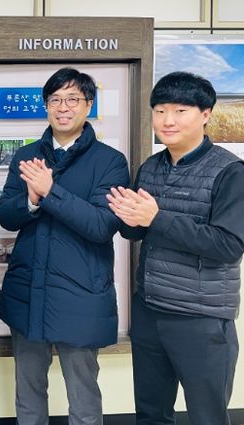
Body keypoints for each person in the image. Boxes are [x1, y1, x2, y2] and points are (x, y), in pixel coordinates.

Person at [107, 71, 244, 425]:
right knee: (151, 413)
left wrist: (156, 218)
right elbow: (135, 232)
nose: (168, 120)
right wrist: (125, 214)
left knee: (207, 417)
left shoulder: (231, 171)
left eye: (180, 110)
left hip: (201, 317)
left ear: (205, 114)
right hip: (150, 309)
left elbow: (228, 245)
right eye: (160, 111)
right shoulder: (151, 167)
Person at [0, 67, 130, 425]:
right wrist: (31, 200)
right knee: (28, 395)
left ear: (89, 105)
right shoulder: (26, 156)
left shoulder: (110, 161)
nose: (63, 107)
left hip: (81, 297)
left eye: (72, 99)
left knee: (83, 399)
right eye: (55, 100)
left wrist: (50, 191)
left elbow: (101, 225)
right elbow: (7, 215)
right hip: (28, 295)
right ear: (46, 106)